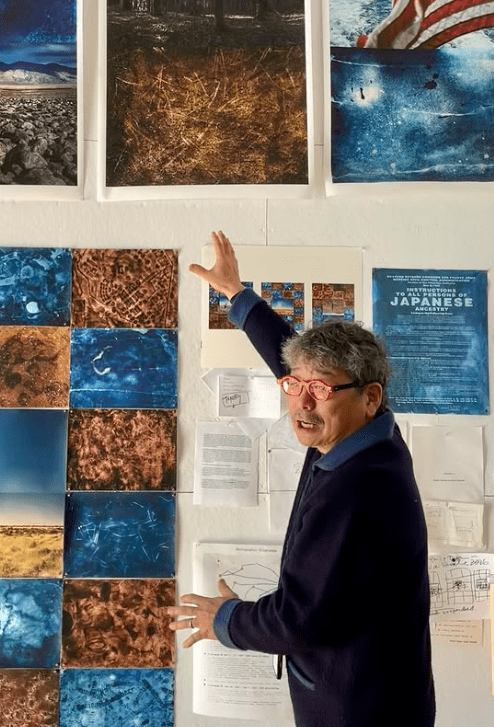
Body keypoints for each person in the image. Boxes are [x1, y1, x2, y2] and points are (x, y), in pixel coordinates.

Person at [169, 231, 435, 727]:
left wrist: (221, 620)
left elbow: (298, 619)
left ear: (370, 396)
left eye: (318, 389)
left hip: (358, 709)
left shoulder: (358, 491)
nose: (301, 403)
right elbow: (291, 362)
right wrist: (239, 296)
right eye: (295, 386)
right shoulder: (366, 431)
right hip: (379, 691)